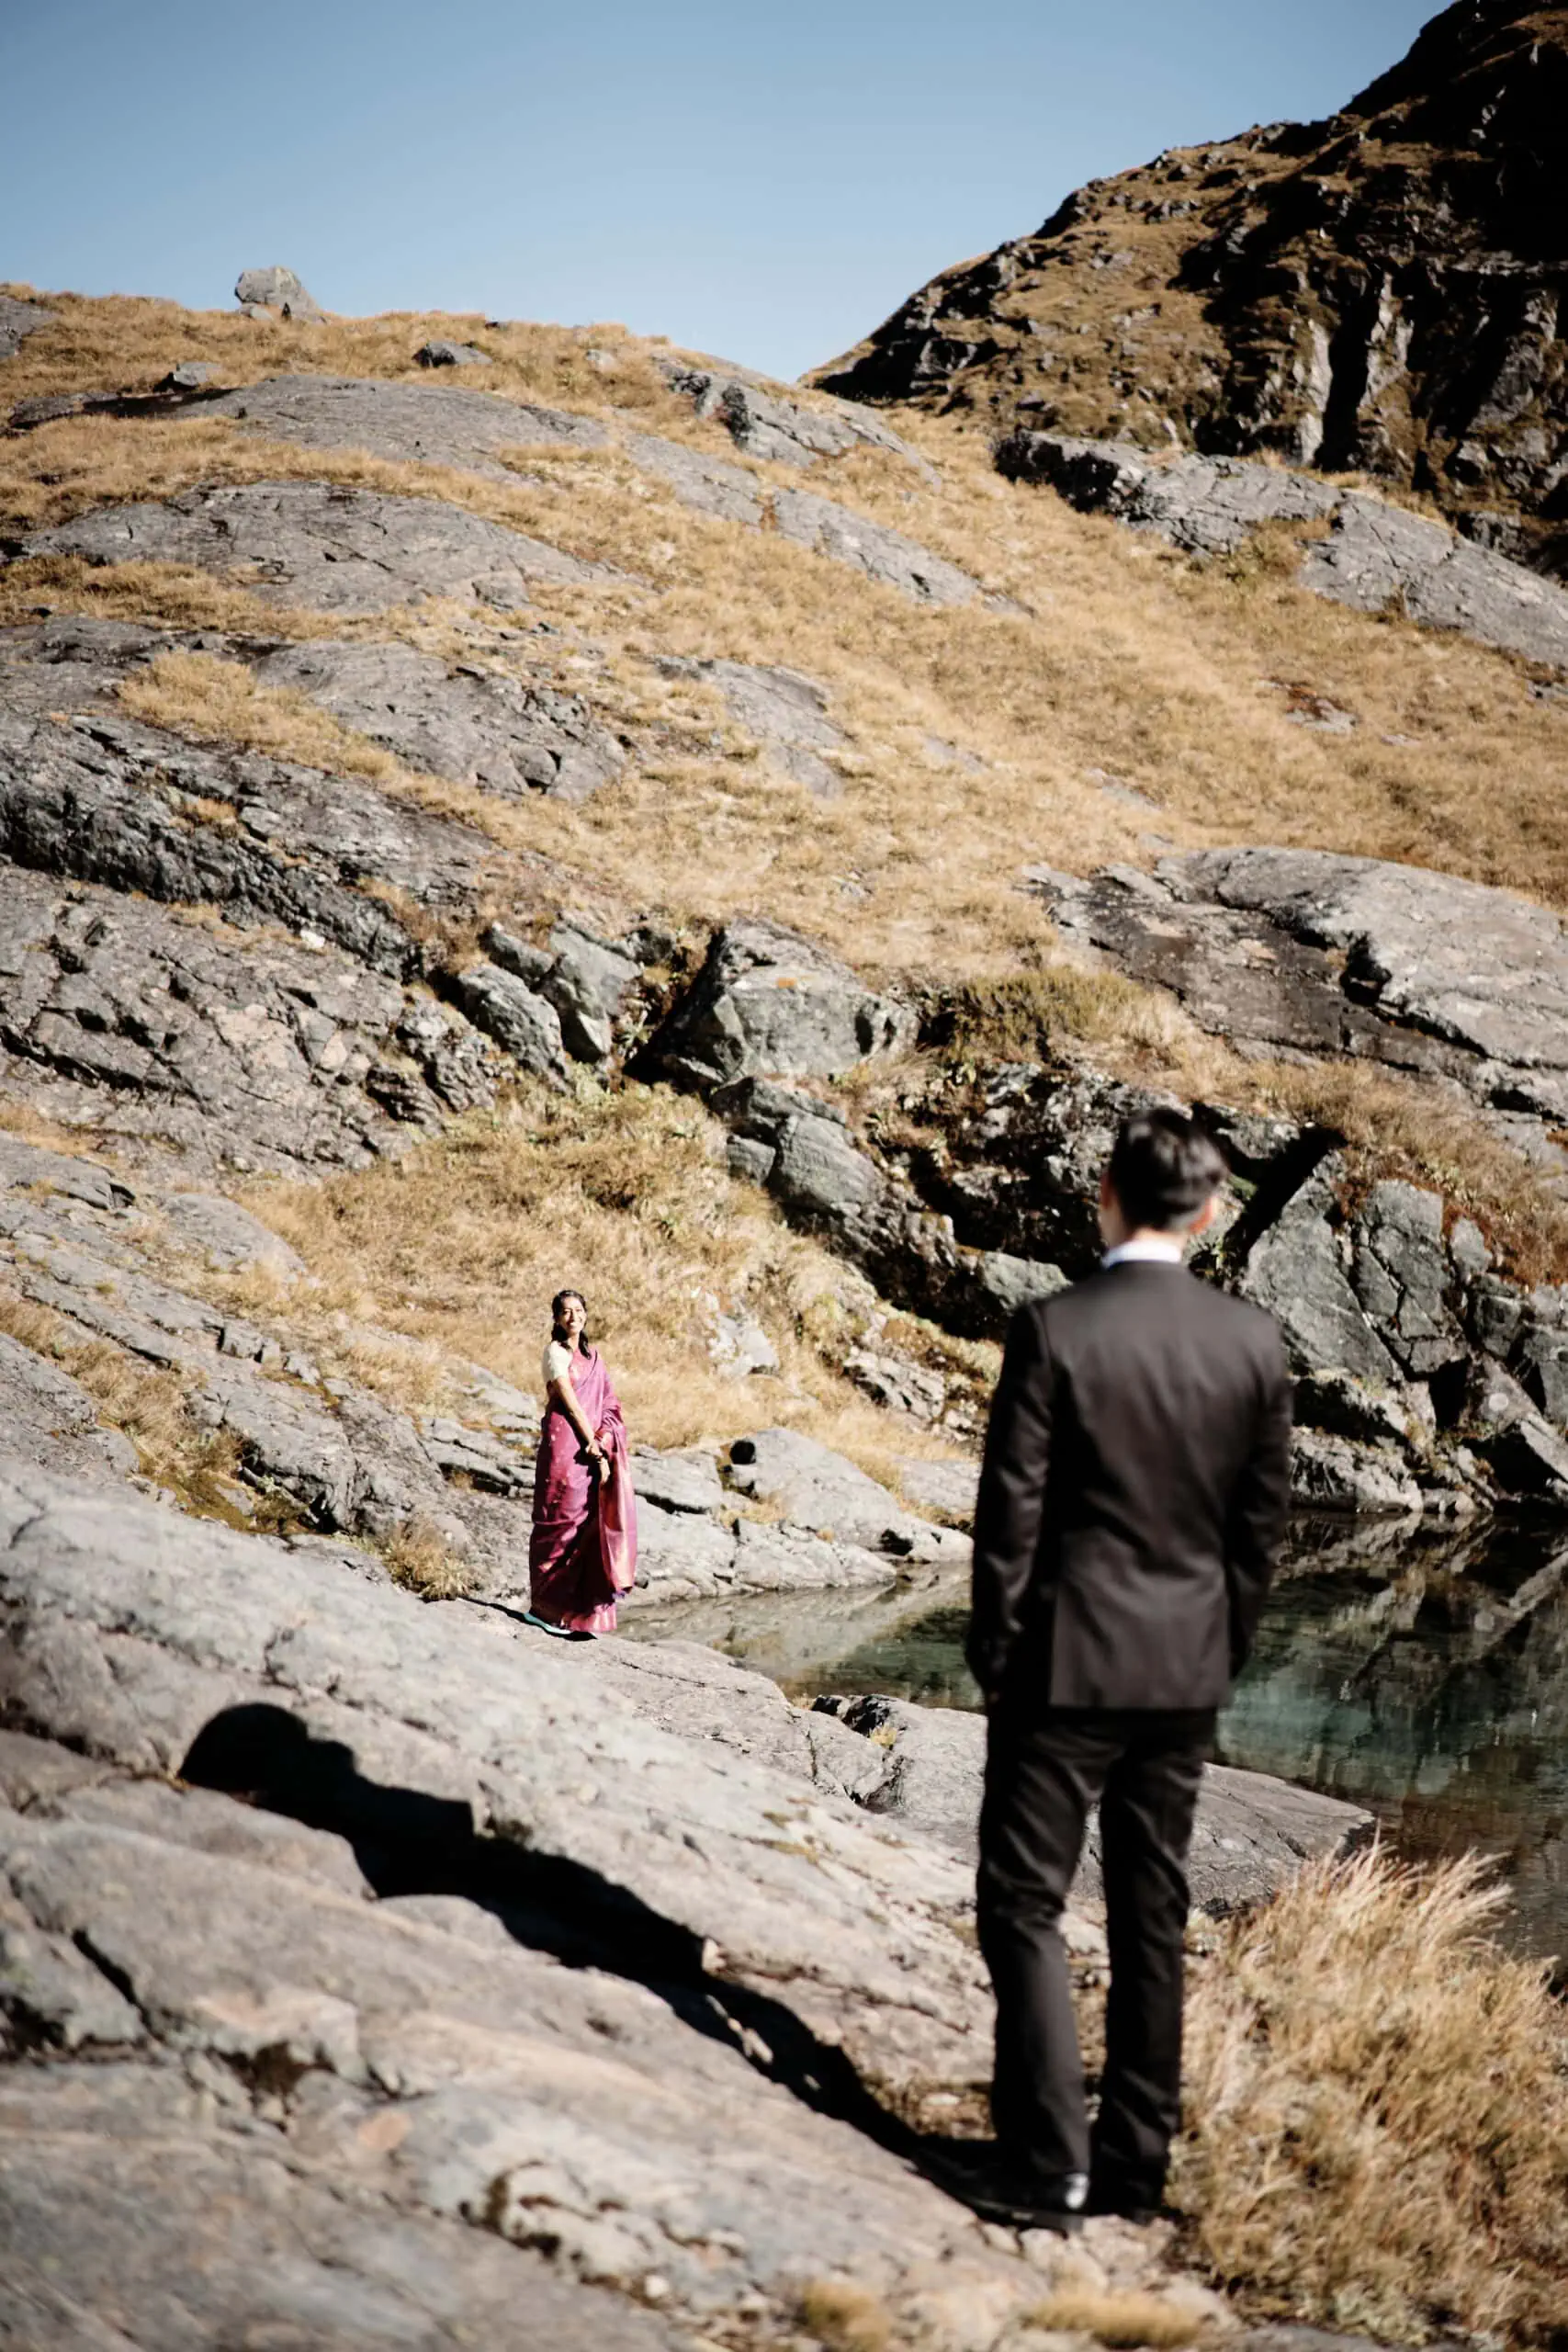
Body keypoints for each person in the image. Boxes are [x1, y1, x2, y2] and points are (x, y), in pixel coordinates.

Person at [965, 1107, 1292, 2233]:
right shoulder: (1254, 1344)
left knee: (1023, 1903)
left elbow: (1011, 1513)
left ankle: (1048, 2163)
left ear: (1106, 1193)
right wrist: (1220, 1649)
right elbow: (1259, 1538)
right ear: (1207, 1214)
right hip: (1184, 1669)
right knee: (1152, 1914)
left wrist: (995, 1651)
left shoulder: (1054, 1327)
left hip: (1063, 1661)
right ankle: (1137, 2168)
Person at [526, 1288, 637, 1638]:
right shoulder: (554, 1353)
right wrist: (592, 1441)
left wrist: (603, 1441)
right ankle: (542, 1610)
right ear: (556, 1319)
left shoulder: (594, 1357)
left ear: (586, 1315)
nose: (573, 1317)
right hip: (566, 1446)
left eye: (578, 1310)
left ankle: (573, 1615)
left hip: (591, 1446)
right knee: (558, 1521)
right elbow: (570, 1402)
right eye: (565, 1312)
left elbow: (608, 1403)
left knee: (585, 1527)